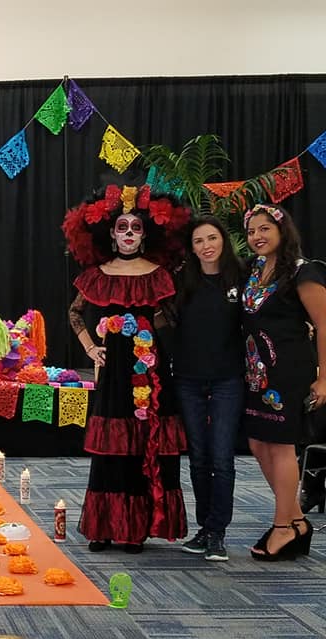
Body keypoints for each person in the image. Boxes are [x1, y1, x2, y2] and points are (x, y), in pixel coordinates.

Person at [64, 184, 190, 553]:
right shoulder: (98, 273)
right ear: (111, 232)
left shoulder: (159, 275)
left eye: (136, 227)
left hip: (149, 374)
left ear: (145, 233)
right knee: (109, 449)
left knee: (141, 446)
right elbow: (75, 313)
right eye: (123, 227)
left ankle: (134, 528)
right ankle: (104, 527)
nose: (129, 234)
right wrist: (91, 348)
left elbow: (171, 321)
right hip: (113, 373)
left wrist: (158, 342)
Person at [241, 203, 326, 560]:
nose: (257, 237)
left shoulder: (303, 273)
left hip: (290, 372)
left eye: (264, 229)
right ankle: (296, 520)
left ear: (281, 231)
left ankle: (281, 527)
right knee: (259, 445)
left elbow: (324, 325)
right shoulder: (253, 271)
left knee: (281, 447)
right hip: (256, 372)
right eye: (251, 232)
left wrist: (324, 378)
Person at [172, 217, 245, 562]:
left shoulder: (241, 278)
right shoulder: (181, 280)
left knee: (222, 457)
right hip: (188, 379)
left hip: (229, 380)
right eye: (199, 241)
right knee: (198, 457)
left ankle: (219, 532)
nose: (206, 246)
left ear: (223, 241)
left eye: (212, 238)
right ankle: (204, 528)